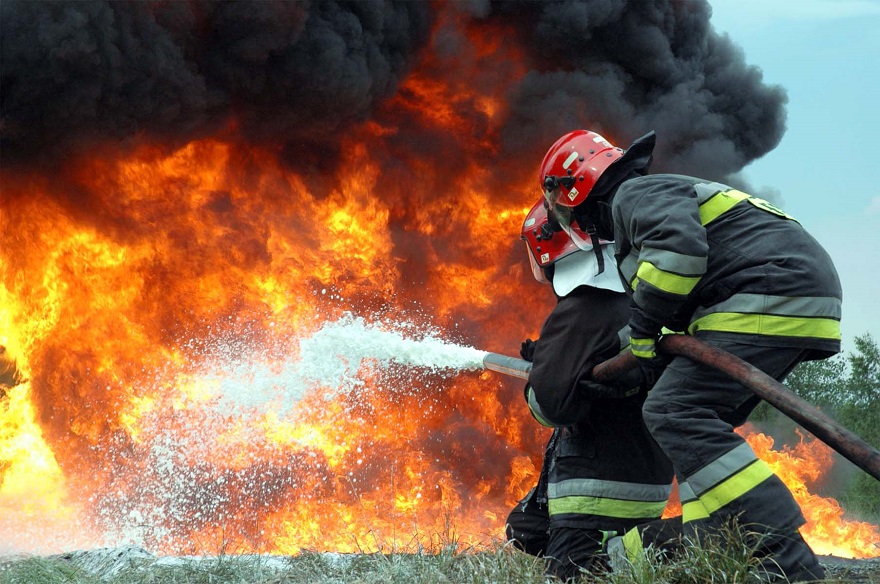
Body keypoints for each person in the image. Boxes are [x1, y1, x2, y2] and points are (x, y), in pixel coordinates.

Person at [538, 129, 842, 582]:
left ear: (577, 189)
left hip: (768, 289)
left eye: (563, 208)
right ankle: (724, 541)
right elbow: (675, 310)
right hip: (789, 294)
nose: (573, 221)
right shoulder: (651, 199)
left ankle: (785, 558)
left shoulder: (634, 195)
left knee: (674, 410)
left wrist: (640, 335)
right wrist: (629, 361)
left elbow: (678, 257)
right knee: (699, 428)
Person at [505, 198, 676, 580]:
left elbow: (550, 406)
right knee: (525, 529)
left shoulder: (583, 305)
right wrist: (554, 360)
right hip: (647, 477)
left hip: (596, 488)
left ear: (546, 249)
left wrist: (540, 378)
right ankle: (628, 553)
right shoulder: (639, 300)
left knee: (575, 575)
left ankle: (657, 548)